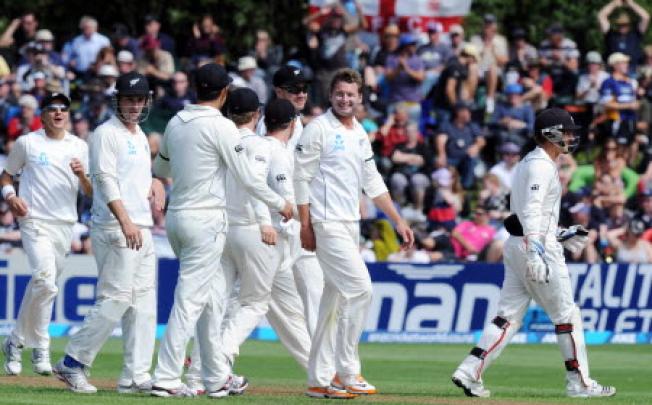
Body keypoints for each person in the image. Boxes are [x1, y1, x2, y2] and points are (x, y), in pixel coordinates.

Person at [451, 108, 616, 398]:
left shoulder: (530, 162)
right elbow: (531, 210)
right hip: (533, 248)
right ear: (551, 133)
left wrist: (559, 233)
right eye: (565, 131)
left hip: (518, 244)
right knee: (567, 315)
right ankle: (579, 383)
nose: (570, 137)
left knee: (507, 317)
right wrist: (537, 251)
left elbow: (529, 213)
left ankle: (469, 371)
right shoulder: (541, 164)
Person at [149, 63, 292, 398]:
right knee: (190, 300)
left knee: (212, 301)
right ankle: (167, 377)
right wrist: (280, 203)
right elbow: (247, 176)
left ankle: (215, 377)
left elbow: (161, 168)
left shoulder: (176, 121)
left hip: (177, 218)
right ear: (225, 91)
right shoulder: (222, 128)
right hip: (204, 220)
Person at [294, 68, 414, 398]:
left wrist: (398, 220)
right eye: (339, 94)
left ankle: (318, 380)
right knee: (360, 290)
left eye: (351, 94)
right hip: (325, 223)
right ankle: (347, 372)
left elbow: (372, 182)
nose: (345, 99)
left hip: (349, 225)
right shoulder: (317, 129)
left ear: (360, 97)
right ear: (331, 96)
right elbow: (299, 179)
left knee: (332, 304)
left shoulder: (360, 132)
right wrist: (305, 225)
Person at [53, 72, 165, 394]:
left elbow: (139, 178)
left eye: (138, 99)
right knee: (115, 298)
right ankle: (72, 363)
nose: (133, 105)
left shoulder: (140, 136)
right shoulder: (105, 134)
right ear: (118, 100)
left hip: (142, 226)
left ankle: (135, 377)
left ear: (146, 102)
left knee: (143, 304)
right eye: (128, 99)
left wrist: (155, 183)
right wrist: (126, 221)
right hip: (115, 227)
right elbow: (104, 181)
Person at [1, 93, 90, 377]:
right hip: (33, 220)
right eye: (53, 109)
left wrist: (82, 176)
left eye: (64, 108)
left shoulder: (79, 146)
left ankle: (15, 340)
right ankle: (41, 346)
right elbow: (6, 175)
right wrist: (11, 196)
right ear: (43, 115)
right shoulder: (28, 143)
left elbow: (91, 192)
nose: (59, 113)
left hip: (64, 224)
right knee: (45, 281)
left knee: (44, 285)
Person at [257, 65, 325, 336]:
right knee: (248, 298)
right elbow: (259, 180)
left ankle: (325, 366)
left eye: (304, 89)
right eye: (294, 89)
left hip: (299, 223)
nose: (301, 94)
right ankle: (205, 357)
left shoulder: (304, 127)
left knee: (314, 291)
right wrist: (265, 220)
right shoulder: (266, 128)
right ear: (278, 92)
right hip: (273, 225)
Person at [435, 101, 485, 189]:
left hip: (466, 158)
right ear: (459, 112)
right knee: (439, 162)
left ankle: (466, 187)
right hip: (451, 158)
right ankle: (444, 190)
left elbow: (481, 140)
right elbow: (441, 140)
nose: (470, 113)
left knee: (473, 160)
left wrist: (476, 146)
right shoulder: (447, 125)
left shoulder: (472, 125)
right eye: (468, 111)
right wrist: (442, 154)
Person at [600, 52, 638, 144]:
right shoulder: (609, 82)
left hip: (631, 119)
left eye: (627, 63)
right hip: (617, 120)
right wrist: (628, 106)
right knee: (617, 147)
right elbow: (606, 104)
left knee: (631, 145)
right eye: (624, 63)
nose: (627, 65)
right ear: (615, 65)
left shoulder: (629, 82)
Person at [598, 0, 649, 69]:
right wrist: (614, 3)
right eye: (620, 25)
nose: (622, 27)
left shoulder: (635, 34)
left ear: (629, 25)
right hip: (613, 71)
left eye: (625, 25)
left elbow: (646, 17)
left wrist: (631, 4)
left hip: (633, 70)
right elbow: (601, 16)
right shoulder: (611, 35)